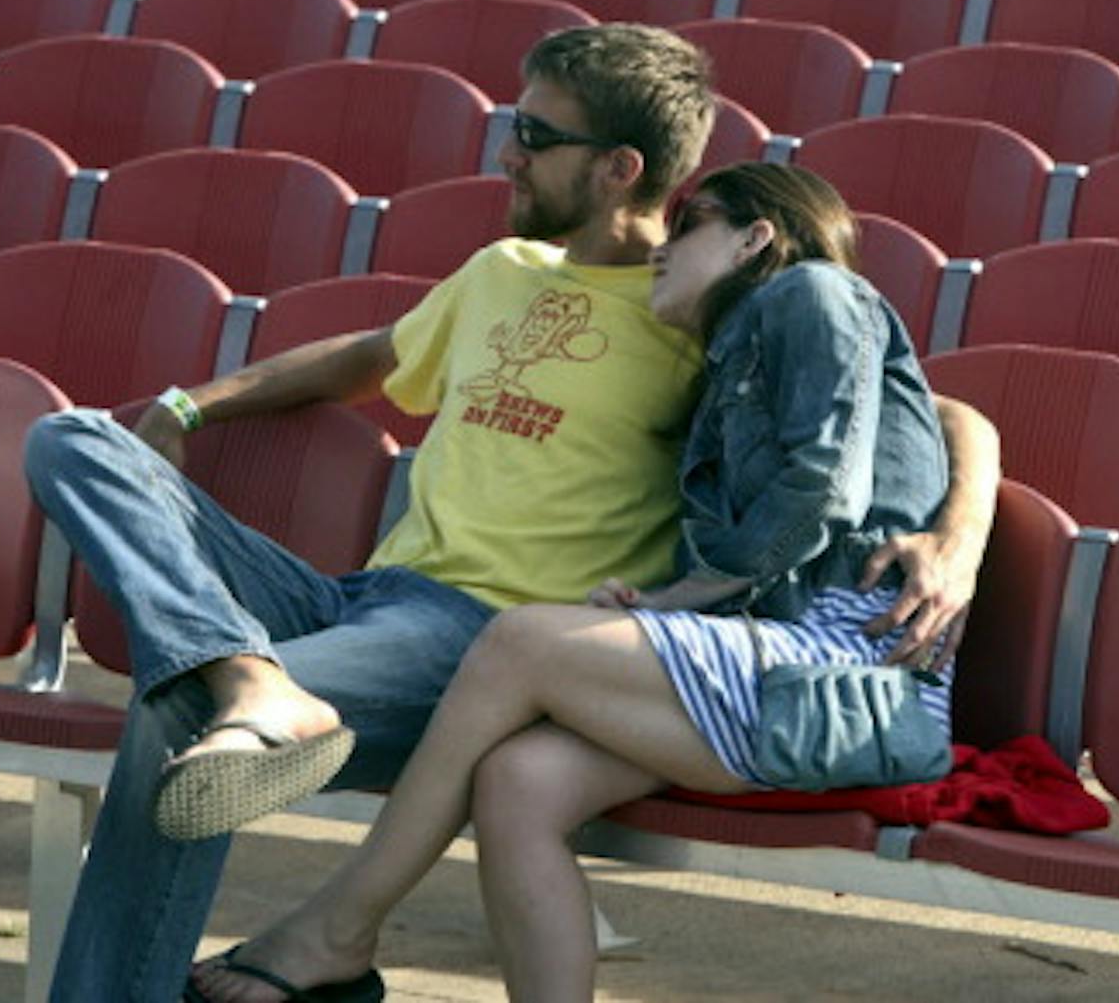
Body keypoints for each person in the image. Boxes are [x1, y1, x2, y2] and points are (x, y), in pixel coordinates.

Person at [21, 25, 998, 1003]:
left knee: (177, 711)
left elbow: (928, 409)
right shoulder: (506, 270)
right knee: (71, 437)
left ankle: (234, 909)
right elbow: (370, 356)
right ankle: (246, 673)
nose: (507, 151)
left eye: (535, 132)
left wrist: (957, 538)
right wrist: (191, 406)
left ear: (620, 167)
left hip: (475, 637)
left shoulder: (701, 310)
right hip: (361, 599)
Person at [190, 163, 964, 1003]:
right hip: (765, 671)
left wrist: (679, 601)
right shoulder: (731, 355)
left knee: (521, 637)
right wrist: (668, 605)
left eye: (690, 225)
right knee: (517, 783)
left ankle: (337, 928)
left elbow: (823, 487)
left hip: (846, 675)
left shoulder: (811, 293)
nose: (661, 251)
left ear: (756, 237)